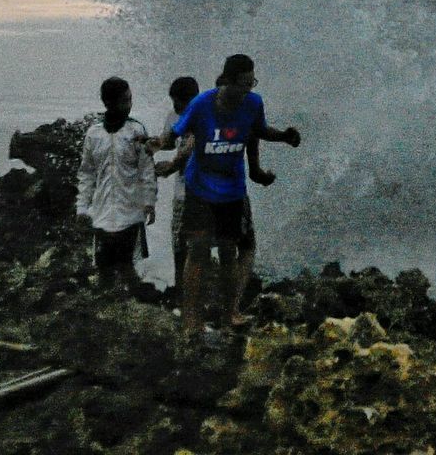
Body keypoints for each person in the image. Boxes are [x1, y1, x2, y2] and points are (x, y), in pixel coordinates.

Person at [145, 53, 300, 334]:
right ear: (226, 81)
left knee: (229, 252)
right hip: (201, 188)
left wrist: (284, 137)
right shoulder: (202, 104)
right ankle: (192, 321)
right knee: (198, 251)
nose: (247, 90)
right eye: (242, 84)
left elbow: (259, 130)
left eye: (251, 83)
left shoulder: (253, 102)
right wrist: (158, 144)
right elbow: (176, 134)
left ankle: (231, 315)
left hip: (232, 190)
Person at [75, 77, 157, 290]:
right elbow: (86, 173)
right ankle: (105, 310)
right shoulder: (94, 134)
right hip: (101, 212)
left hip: (131, 210)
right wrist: (82, 207)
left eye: (130, 99)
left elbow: (147, 169)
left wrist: (149, 201)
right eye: (124, 101)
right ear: (108, 103)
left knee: (127, 265)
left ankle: (133, 304)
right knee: (103, 266)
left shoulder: (136, 131)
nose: (129, 105)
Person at [155, 75, 200, 298]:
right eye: (173, 102)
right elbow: (167, 141)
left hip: (203, 191)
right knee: (179, 241)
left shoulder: (204, 116)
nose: (175, 108)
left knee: (199, 243)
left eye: (178, 103)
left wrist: (170, 167)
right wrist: (147, 144)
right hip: (181, 192)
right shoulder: (174, 116)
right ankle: (180, 289)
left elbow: (190, 149)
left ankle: (194, 291)